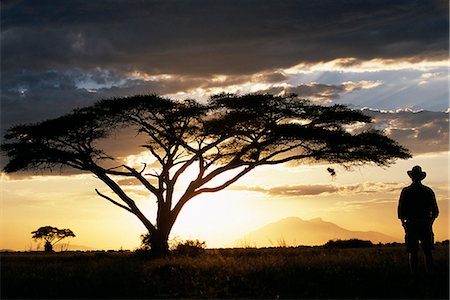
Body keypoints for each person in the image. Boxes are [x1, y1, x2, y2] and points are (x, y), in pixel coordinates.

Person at [398, 165, 439, 277]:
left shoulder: (406, 191)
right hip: (424, 223)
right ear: (421, 177)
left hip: (411, 223)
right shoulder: (427, 191)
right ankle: (429, 275)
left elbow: (400, 211)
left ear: (412, 177)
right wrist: (429, 222)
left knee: (413, 251)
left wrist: (405, 225)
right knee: (427, 251)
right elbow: (435, 211)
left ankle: (414, 276)